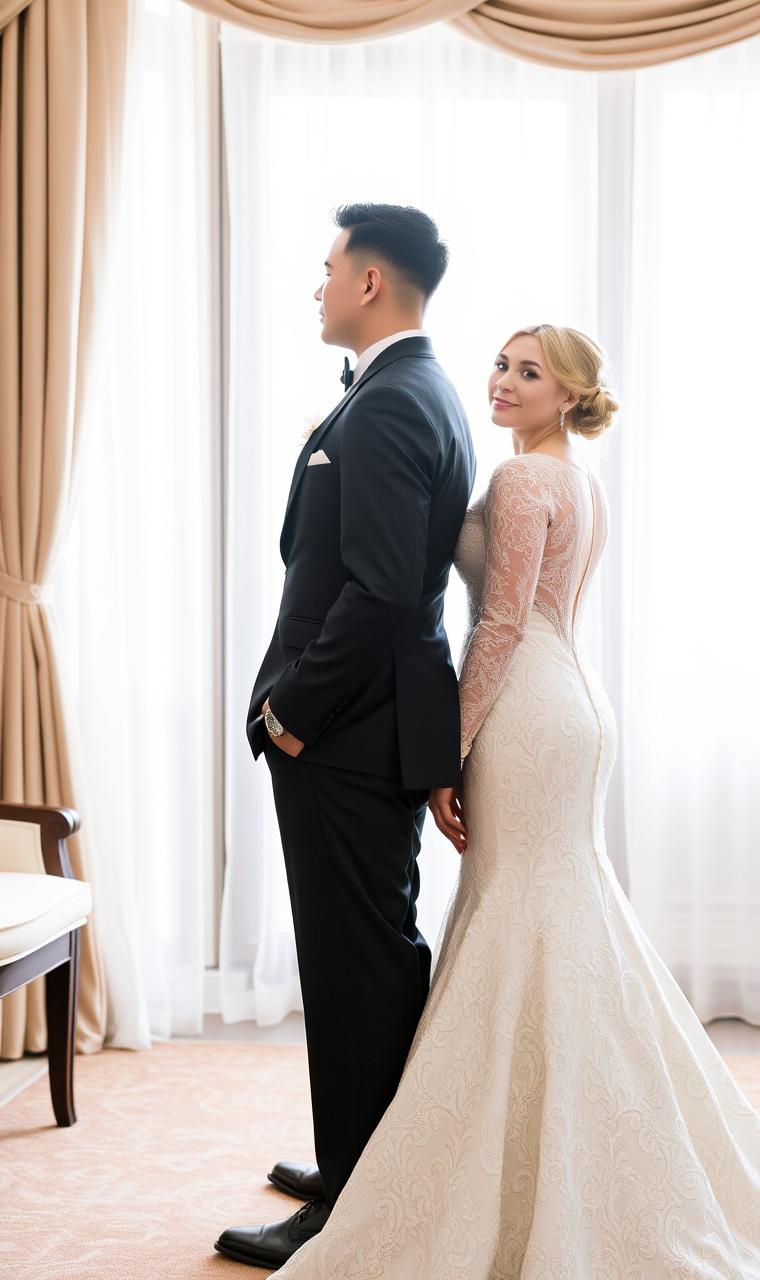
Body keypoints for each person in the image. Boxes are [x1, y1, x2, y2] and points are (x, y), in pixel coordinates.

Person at [257, 323, 760, 1277]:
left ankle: (518, 1149)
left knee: (524, 912)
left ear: (570, 396)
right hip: (566, 700)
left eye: (531, 373)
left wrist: (449, 750)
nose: (505, 381)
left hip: (527, 709)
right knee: (557, 914)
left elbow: (503, 622)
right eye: (503, 363)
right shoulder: (573, 477)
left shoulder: (527, 480)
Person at [214, 203, 476, 1271]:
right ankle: (359, 1159)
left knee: (358, 960)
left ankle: (355, 1206)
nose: (315, 284)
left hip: (348, 736)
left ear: (370, 282)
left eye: (326, 268)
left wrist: (289, 715)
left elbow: (374, 593)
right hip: (371, 728)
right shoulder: (408, 392)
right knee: (362, 956)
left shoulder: (391, 404)